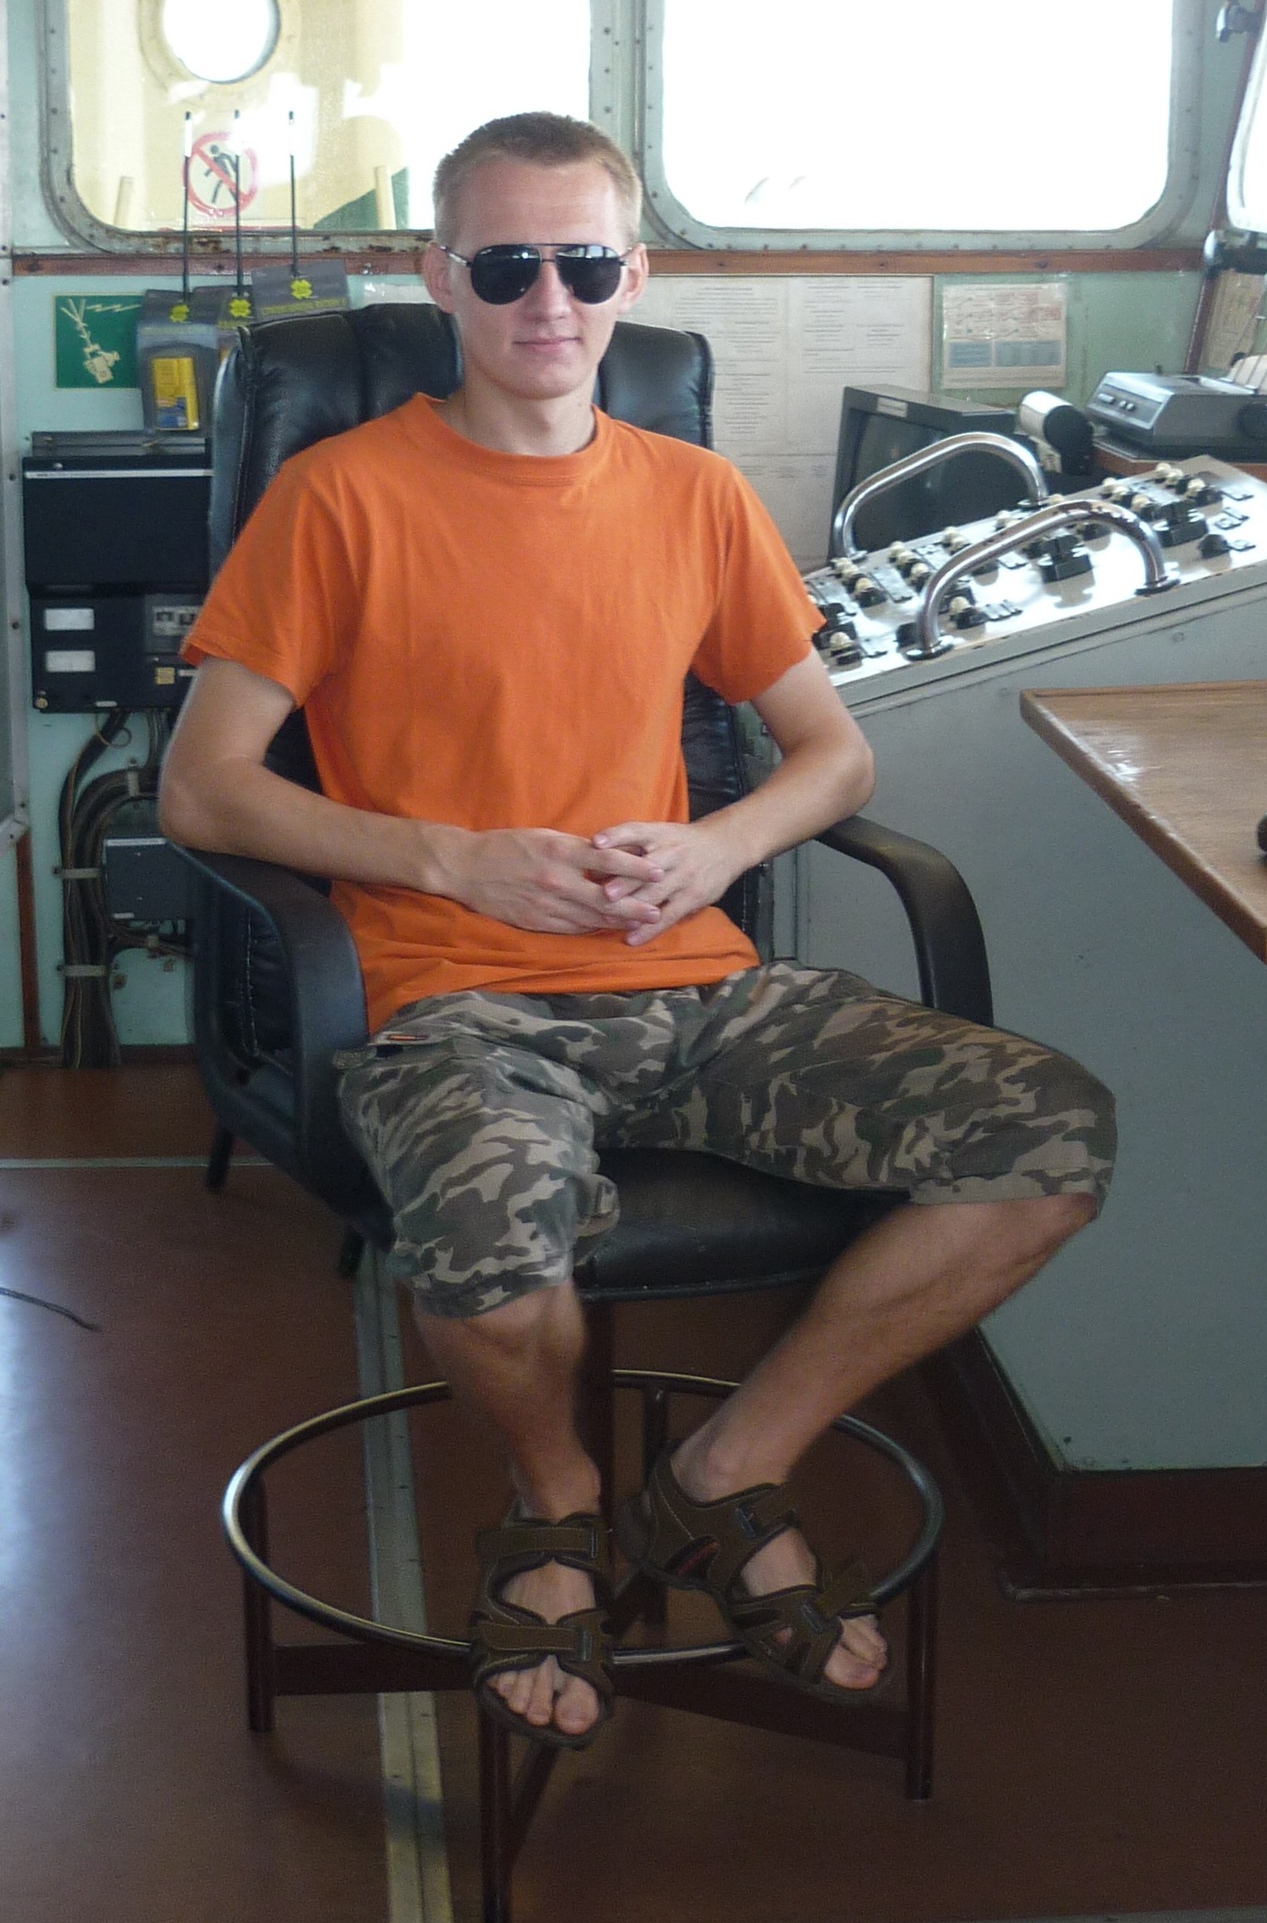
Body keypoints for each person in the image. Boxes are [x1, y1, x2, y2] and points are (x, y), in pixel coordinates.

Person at [159, 111, 1116, 1752]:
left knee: (1052, 1135)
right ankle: (557, 1500)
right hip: (455, 999)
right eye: (506, 265)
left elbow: (833, 754)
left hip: (694, 990)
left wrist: (716, 847)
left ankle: (727, 1471)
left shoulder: (695, 495)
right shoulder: (338, 498)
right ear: (439, 277)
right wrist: (456, 862)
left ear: (635, 277)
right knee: (485, 1245)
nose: (550, 300)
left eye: (585, 263)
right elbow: (201, 788)